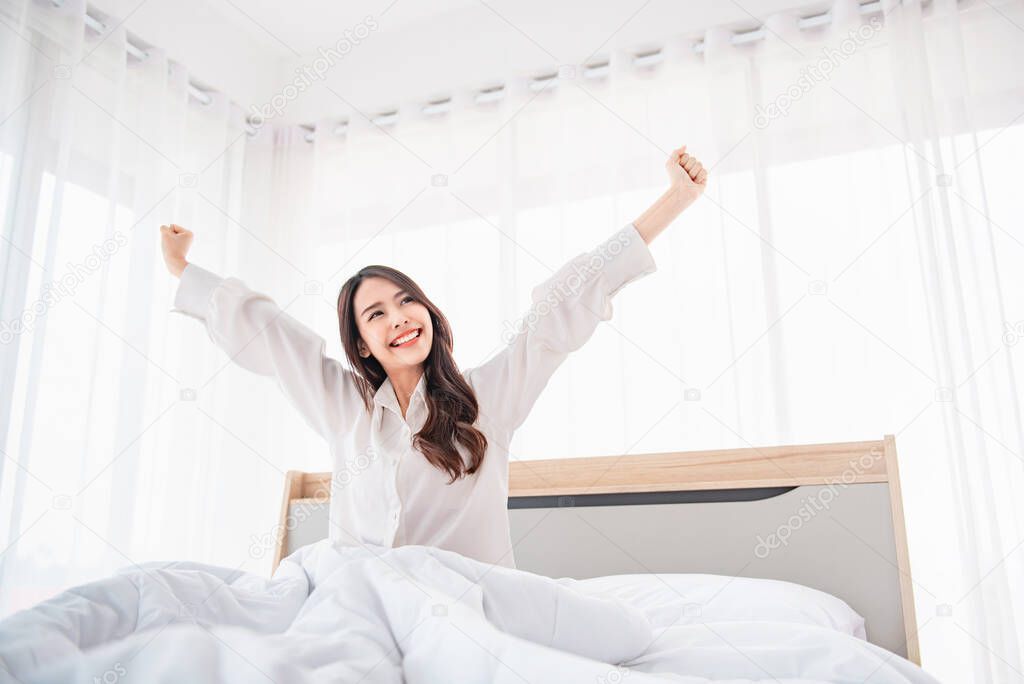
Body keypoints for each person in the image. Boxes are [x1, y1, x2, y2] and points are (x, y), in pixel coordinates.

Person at [160, 146, 707, 569]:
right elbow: (275, 337)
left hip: (463, 605)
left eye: (405, 301)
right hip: (358, 603)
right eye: (374, 315)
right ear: (362, 344)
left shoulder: (487, 396)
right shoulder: (341, 405)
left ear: (428, 312)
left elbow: (561, 309)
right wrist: (183, 268)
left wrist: (674, 202)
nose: (397, 317)